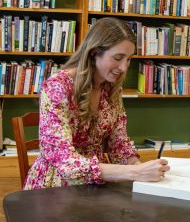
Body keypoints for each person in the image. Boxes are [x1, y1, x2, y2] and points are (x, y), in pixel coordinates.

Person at [24, 17, 170, 189]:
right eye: (117, 57)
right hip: (54, 185)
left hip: (97, 183)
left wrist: (137, 165)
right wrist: (135, 173)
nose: (124, 67)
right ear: (94, 52)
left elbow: (118, 142)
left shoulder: (112, 88)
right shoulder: (57, 86)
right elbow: (63, 159)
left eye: (129, 59)